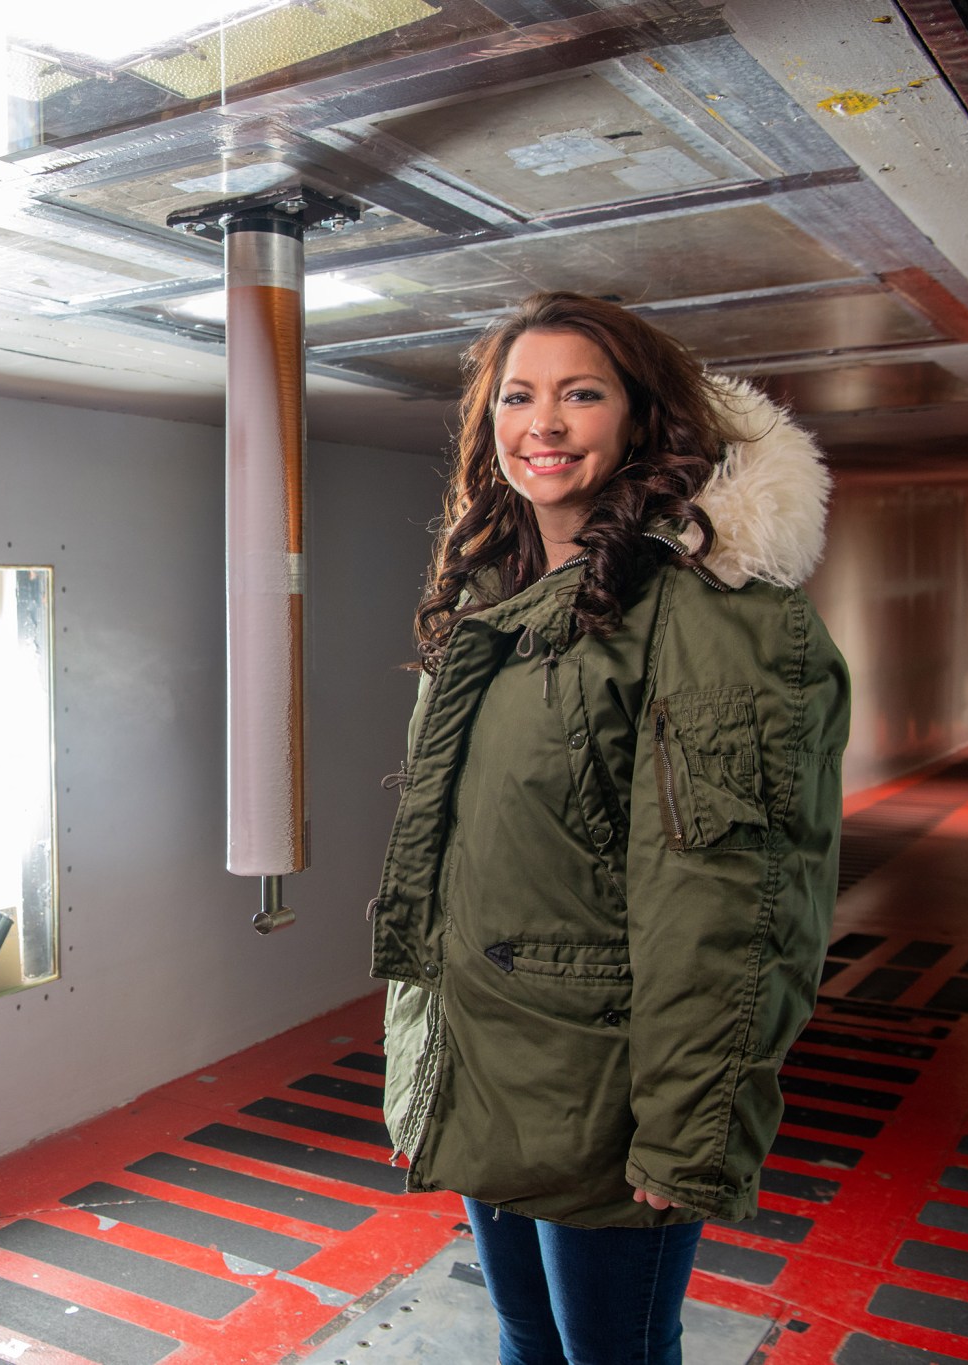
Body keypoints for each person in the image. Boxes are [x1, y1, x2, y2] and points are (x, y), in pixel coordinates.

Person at [370, 291, 850, 1365]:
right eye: (517, 396)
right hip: (491, 1056)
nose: (541, 423)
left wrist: (686, 1130)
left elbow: (730, 906)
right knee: (522, 1335)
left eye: (579, 394)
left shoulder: (710, 618)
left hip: (604, 1087)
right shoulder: (493, 594)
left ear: (639, 420)